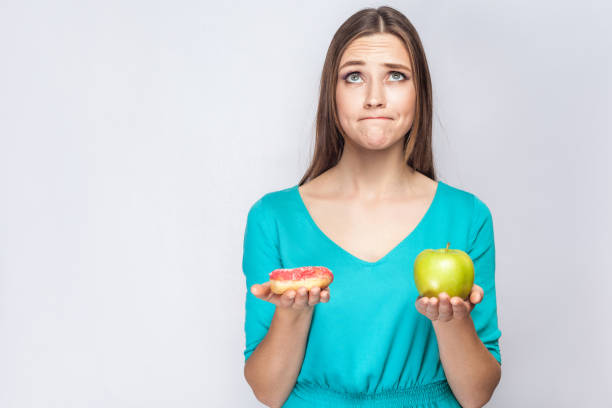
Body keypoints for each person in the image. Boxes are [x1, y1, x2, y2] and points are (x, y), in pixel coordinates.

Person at [241, 6, 502, 408]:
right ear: (333, 92)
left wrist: (452, 322)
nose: (375, 97)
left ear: (420, 93)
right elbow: (267, 390)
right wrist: (293, 314)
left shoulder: (467, 217)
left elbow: (476, 394)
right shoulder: (272, 218)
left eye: (396, 76)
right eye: (354, 76)